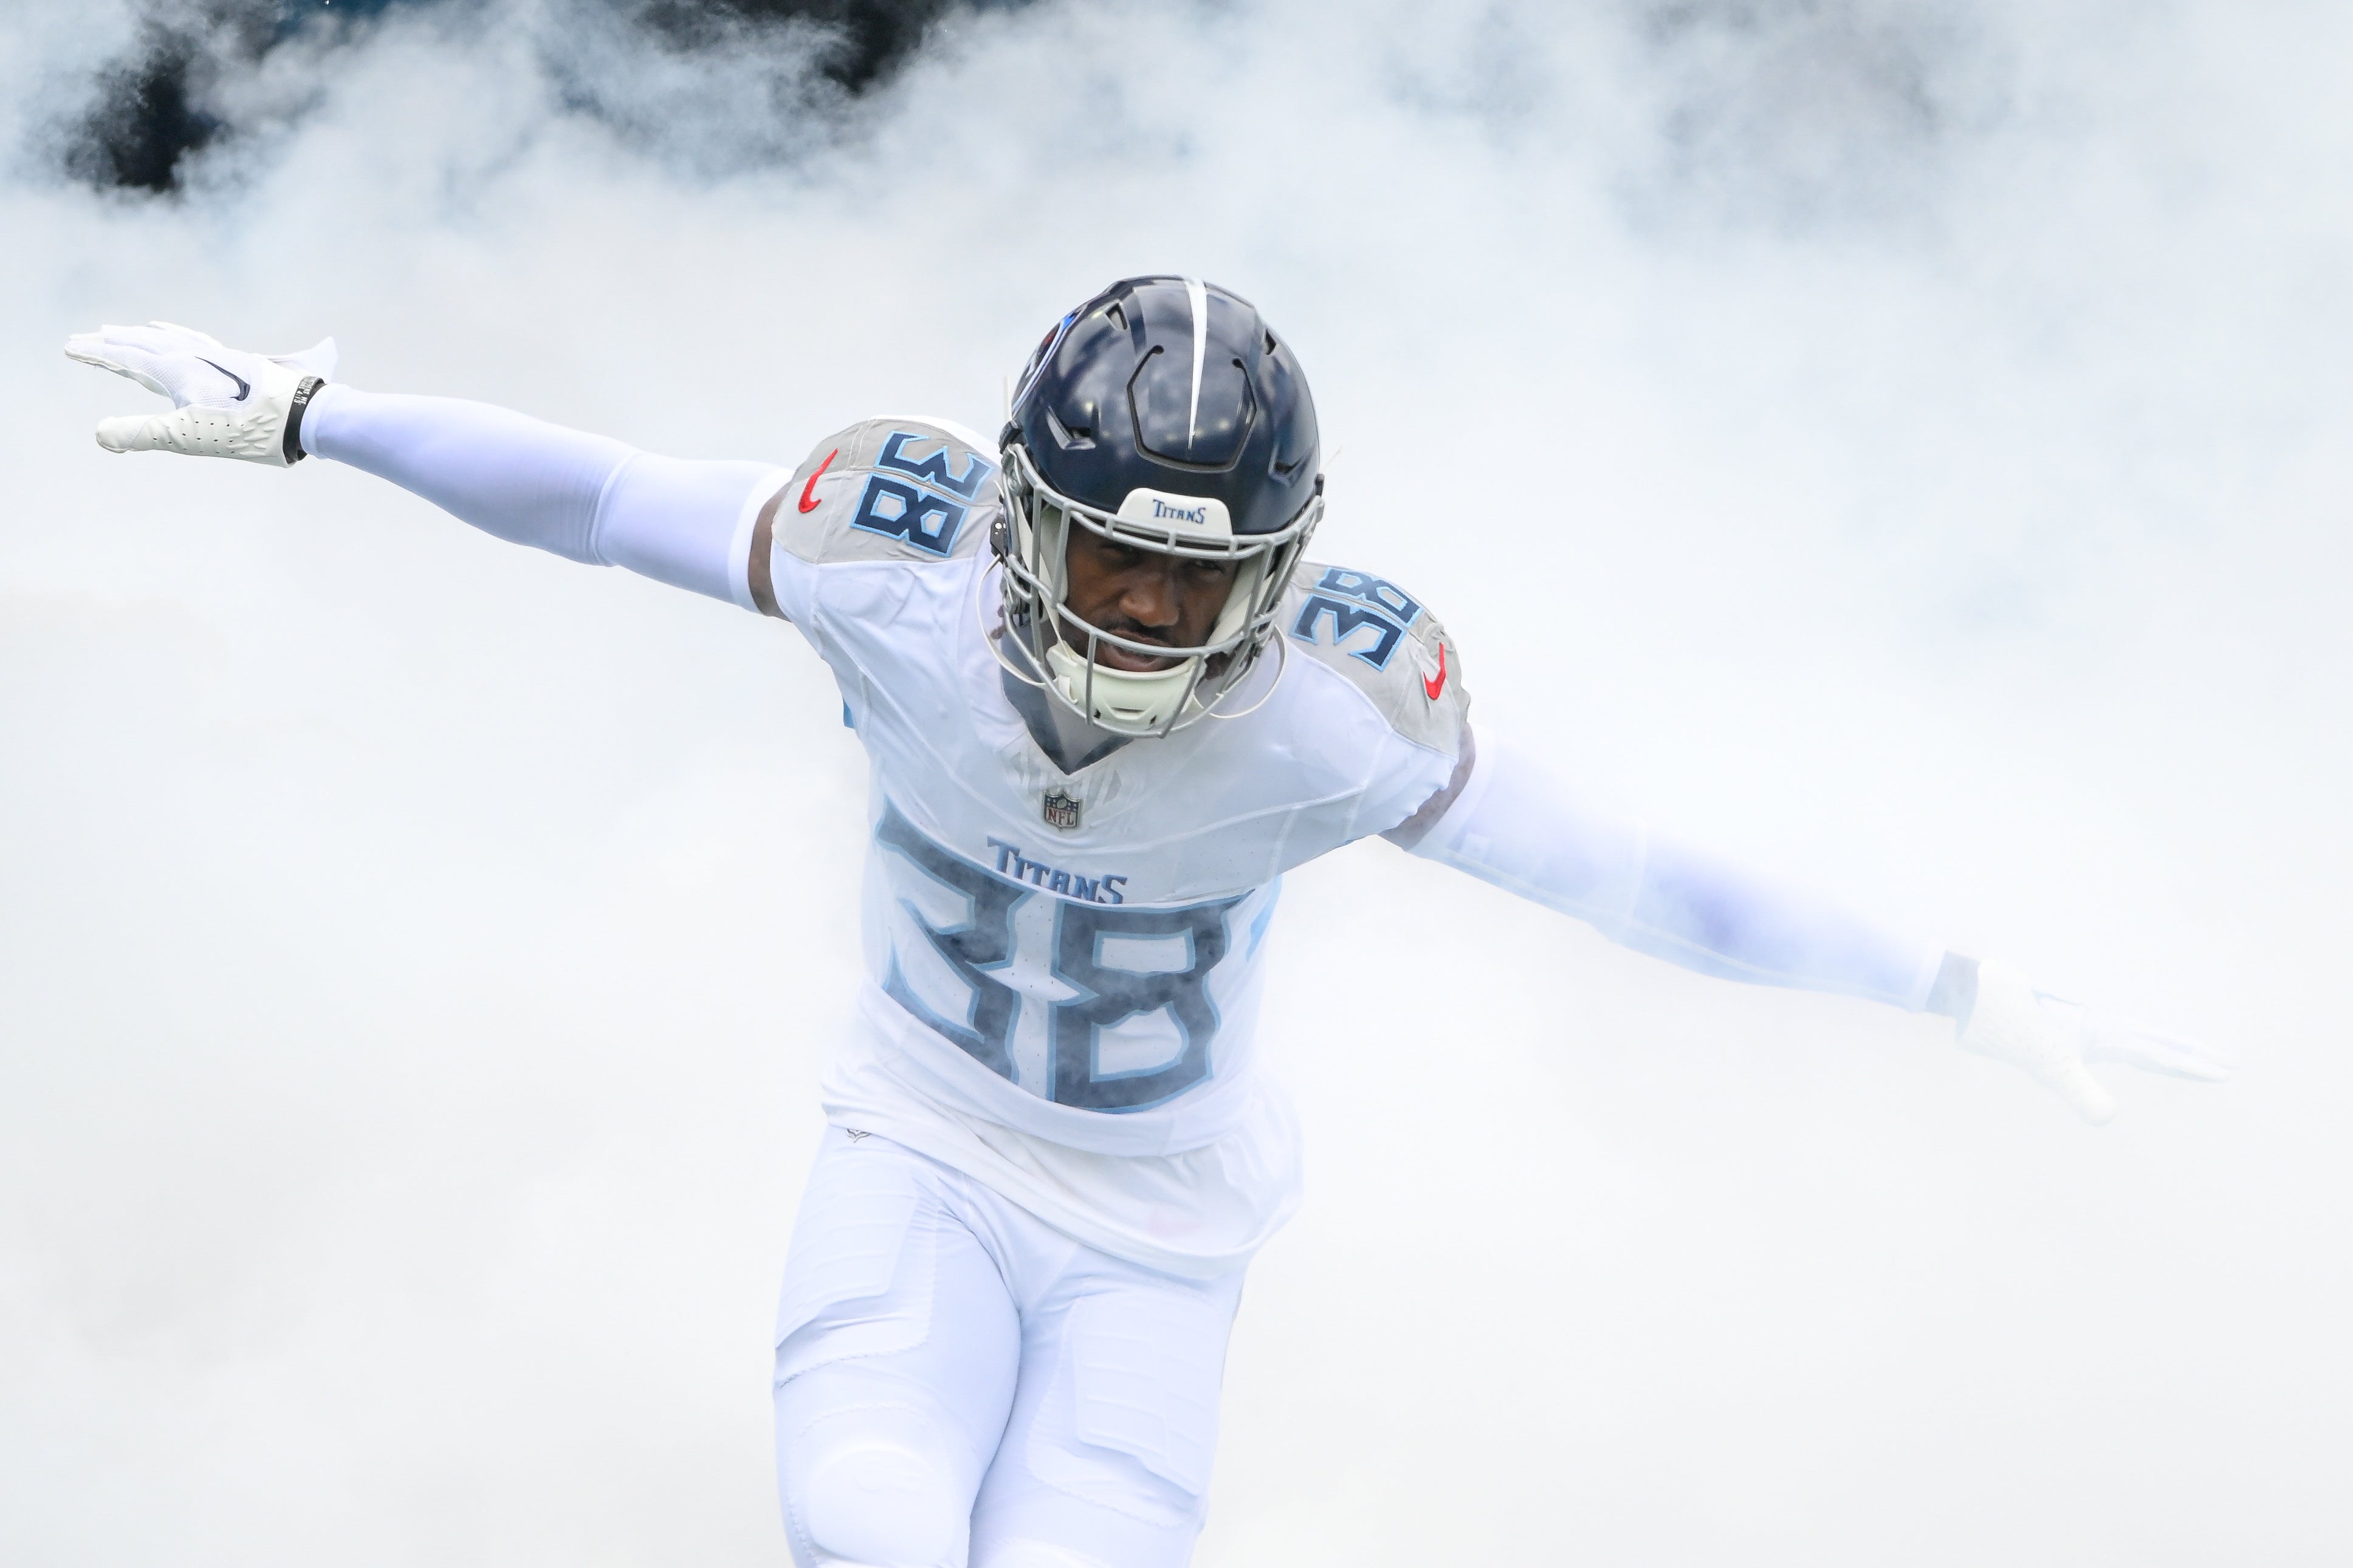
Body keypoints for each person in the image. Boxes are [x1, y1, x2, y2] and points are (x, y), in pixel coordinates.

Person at [66, 279, 2230, 1568]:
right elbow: (612, 497)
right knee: (868, 1522)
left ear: (1275, 577)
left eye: (1191, 586)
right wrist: (314, 419)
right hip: (913, 1133)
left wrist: (1952, 981)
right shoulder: (878, 558)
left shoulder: (1338, 721)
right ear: (1017, 517)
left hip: (1162, 1225)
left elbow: (1644, 880)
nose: (1141, 617)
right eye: (1110, 563)